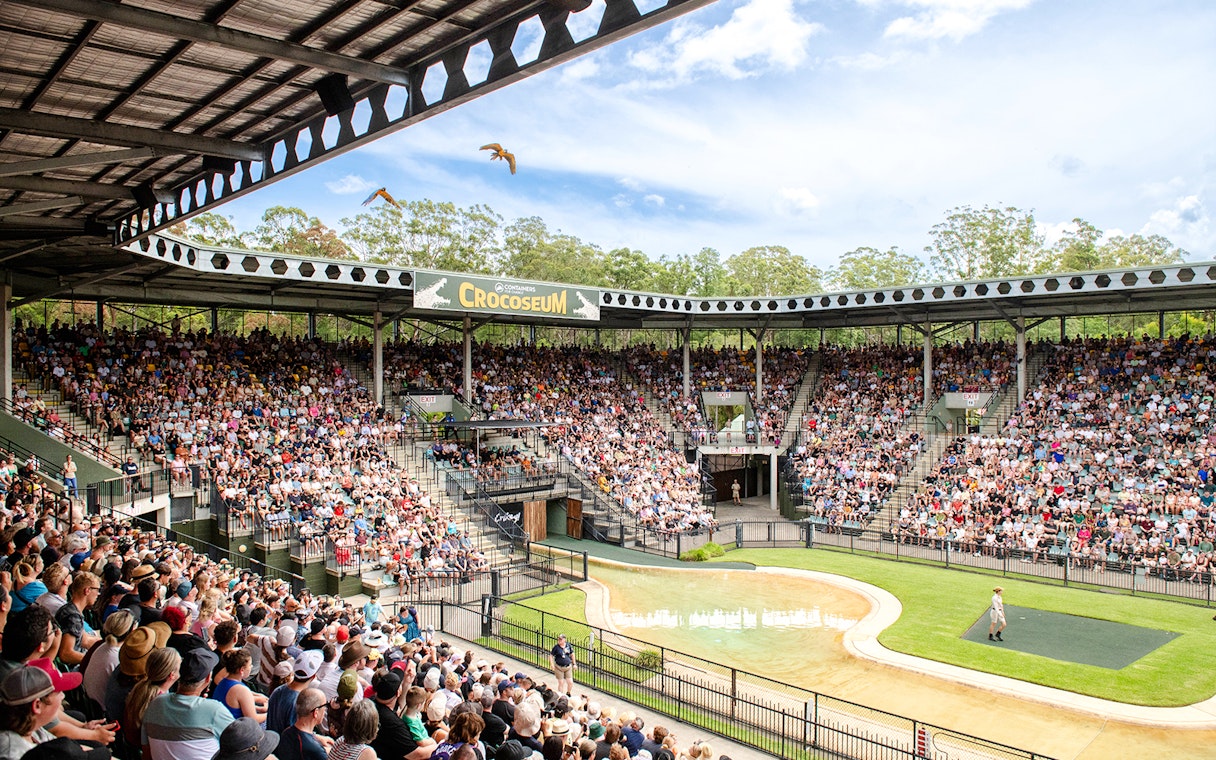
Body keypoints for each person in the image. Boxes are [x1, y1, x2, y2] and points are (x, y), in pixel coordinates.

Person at [276, 687, 329, 760]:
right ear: (316, 713)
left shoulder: (286, 733)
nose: (325, 709)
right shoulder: (316, 750)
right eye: (324, 706)